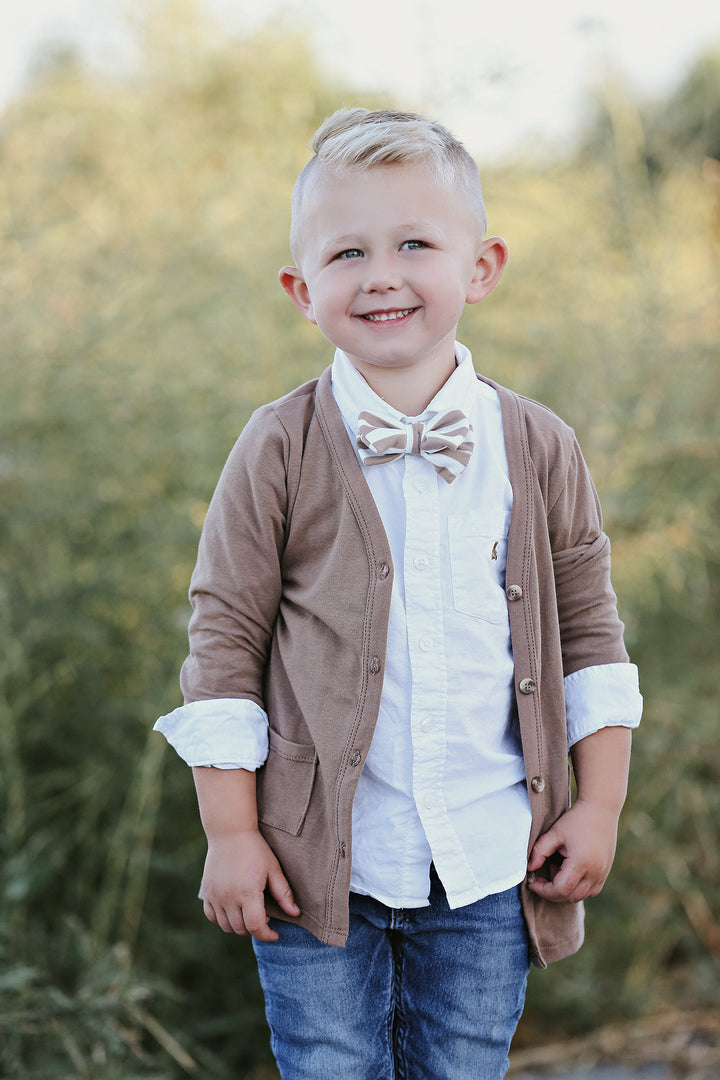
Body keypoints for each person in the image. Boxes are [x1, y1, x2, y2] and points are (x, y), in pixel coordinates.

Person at [155, 107, 642, 1079]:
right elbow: (224, 644)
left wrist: (601, 807)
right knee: (329, 1066)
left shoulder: (536, 446)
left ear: (481, 267)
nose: (381, 274)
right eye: (347, 253)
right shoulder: (280, 446)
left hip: (490, 860)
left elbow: (590, 634)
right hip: (312, 869)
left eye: (415, 243)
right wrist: (232, 833)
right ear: (302, 288)